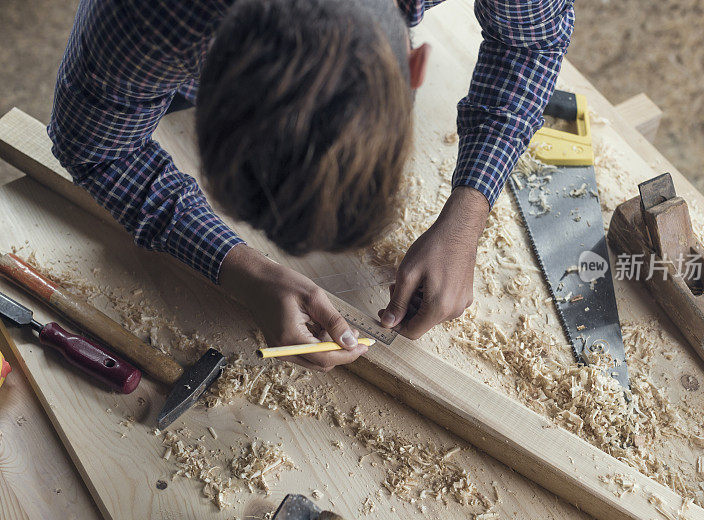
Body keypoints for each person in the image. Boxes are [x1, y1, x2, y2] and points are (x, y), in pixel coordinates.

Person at [48, 0, 574, 372]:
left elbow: (533, 40)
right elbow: (96, 148)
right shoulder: (149, 19)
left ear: (413, 68)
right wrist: (242, 269)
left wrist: (468, 211)